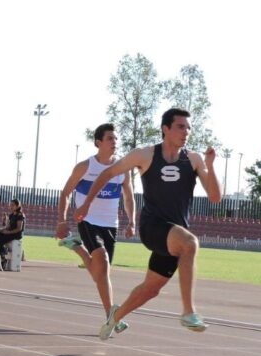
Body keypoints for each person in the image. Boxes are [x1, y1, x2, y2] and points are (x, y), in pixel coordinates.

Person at [74, 108, 221, 340]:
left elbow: (215, 196)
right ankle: (188, 311)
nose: (187, 132)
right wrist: (85, 206)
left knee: (150, 290)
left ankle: (114, 317)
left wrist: (210, 167)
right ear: (166, 129)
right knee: (190, 243)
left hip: (175, 234)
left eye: (189, 128)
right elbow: (107, 174)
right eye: (181, 127)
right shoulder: (145, 155)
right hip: (152, 227)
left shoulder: (193, 159)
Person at [56, 123, 135, 334]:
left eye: (116, 139)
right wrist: (62, 221)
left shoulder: (122, 169)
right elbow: (65, 193)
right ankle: (112, 316)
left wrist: (132, 221)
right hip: (88, 220)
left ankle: (78, 248)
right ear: (98, 142)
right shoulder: (85, 167)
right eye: (110, 138)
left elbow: (128, 197)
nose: (115, 142)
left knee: (101, 272)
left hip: (111, 224)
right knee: (103, 262)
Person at [0, 199, 25, 270]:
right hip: (10, 232)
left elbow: (19, 228)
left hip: (16, 234)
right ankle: (3, 254)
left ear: (17, 206)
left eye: (13, 205)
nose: (11, 206)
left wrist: (8, 232)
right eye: (10, 205)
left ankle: (3, 254)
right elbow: (8, 226)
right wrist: (1, 230)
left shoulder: (20, 215)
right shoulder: (11, 215)